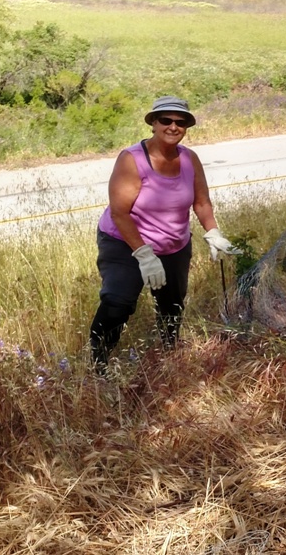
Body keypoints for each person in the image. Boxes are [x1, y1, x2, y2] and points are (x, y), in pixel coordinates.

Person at [90, 96, 240, 373]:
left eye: (180, 122)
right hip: (125, 241)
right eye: (166, 120)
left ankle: (170, 355)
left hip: (174, 244)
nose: (173, 126)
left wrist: (213, 231)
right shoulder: (132, 159)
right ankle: (97, 364)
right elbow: (120, 212)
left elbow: (202, 201)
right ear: (153, 124)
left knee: (172, 304)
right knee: (118, 302)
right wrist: (144, 255)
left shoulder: (189, 158)